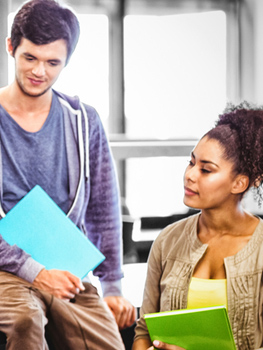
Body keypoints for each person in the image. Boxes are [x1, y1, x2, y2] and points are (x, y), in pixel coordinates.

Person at [0, 0, 136, 349]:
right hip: (5, 268)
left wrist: (113, 286)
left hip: (66, 268)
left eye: (52, 62)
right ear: (11, 47)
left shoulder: (82, 120)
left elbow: (103, 208)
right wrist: (37, 273)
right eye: (30, 58)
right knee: (26, 322)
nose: (39, 72)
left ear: (66, 61)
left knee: (109, 341)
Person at [132, 102, 263, 350]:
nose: (190, 175)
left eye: (206, 169)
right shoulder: (168, 240)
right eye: (191, 163)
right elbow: (144, 330)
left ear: (239, 183)